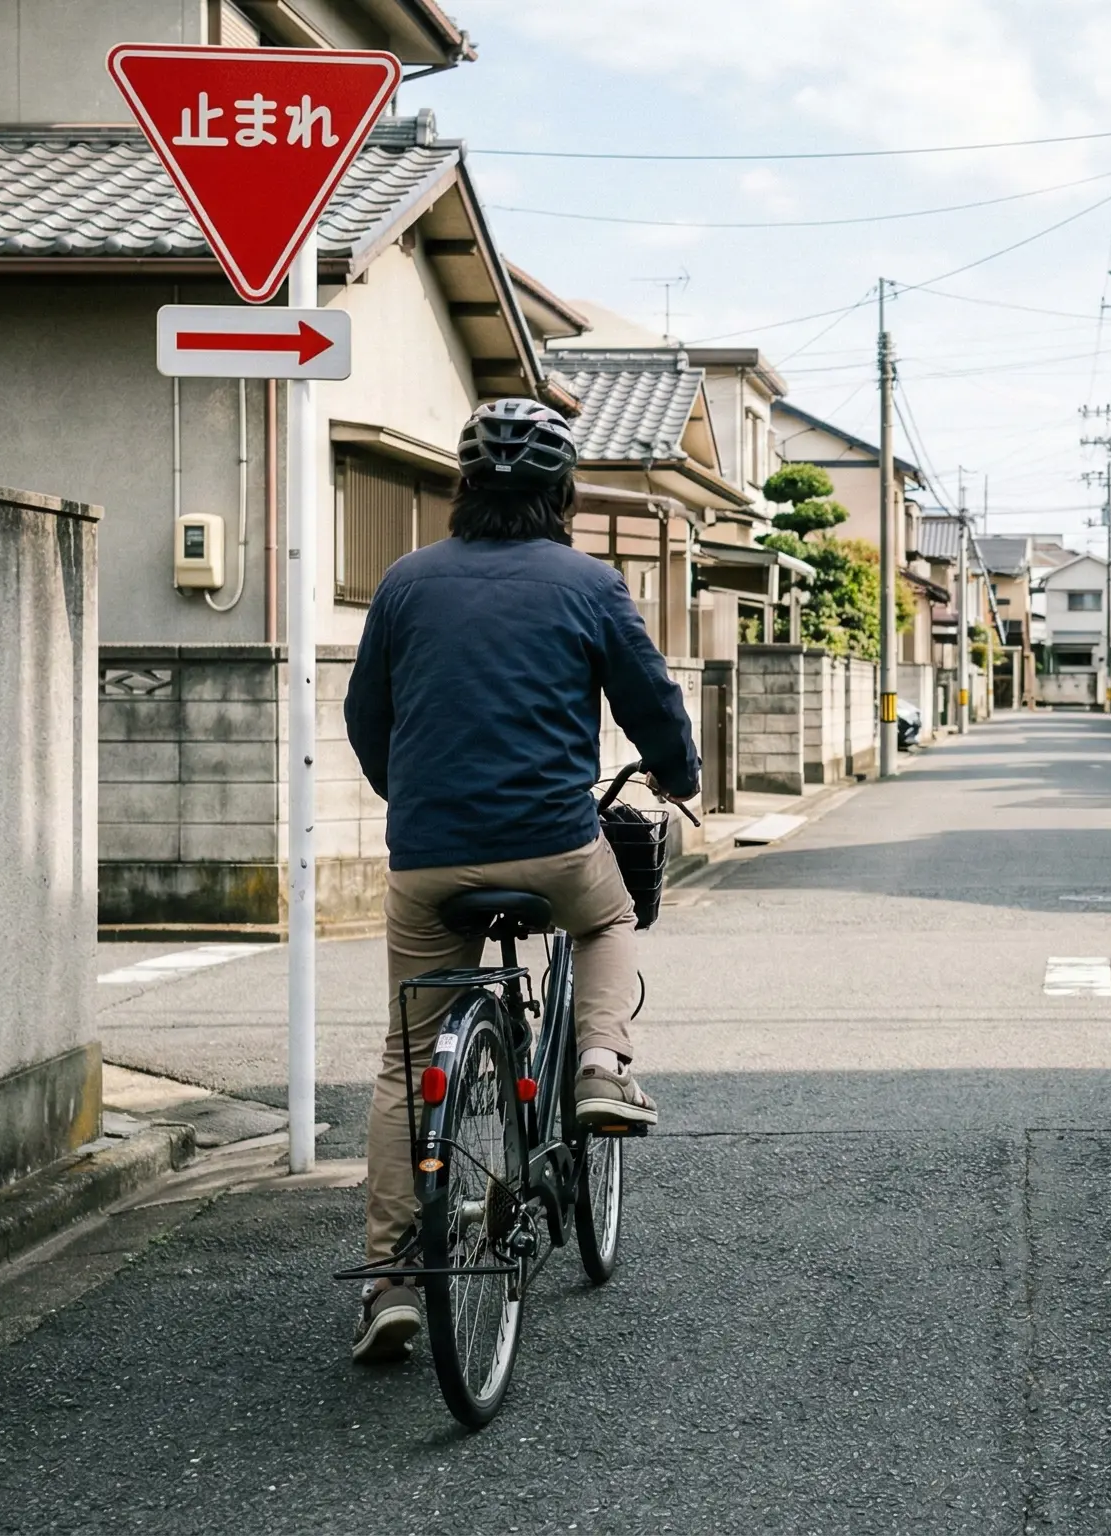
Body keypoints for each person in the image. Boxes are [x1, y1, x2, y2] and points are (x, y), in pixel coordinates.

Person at [340, 397, 700, 1365]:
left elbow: (364, 718)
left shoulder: (404, 584)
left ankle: (387, 1278)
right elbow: (652, 703)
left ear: (462, 491)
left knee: (401, 1057)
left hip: (426, 858)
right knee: (610, 913)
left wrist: (409, 797)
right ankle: (598, 1066)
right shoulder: (587, 583)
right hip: (552, 845)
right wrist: (681, 771)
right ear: (563, 495)